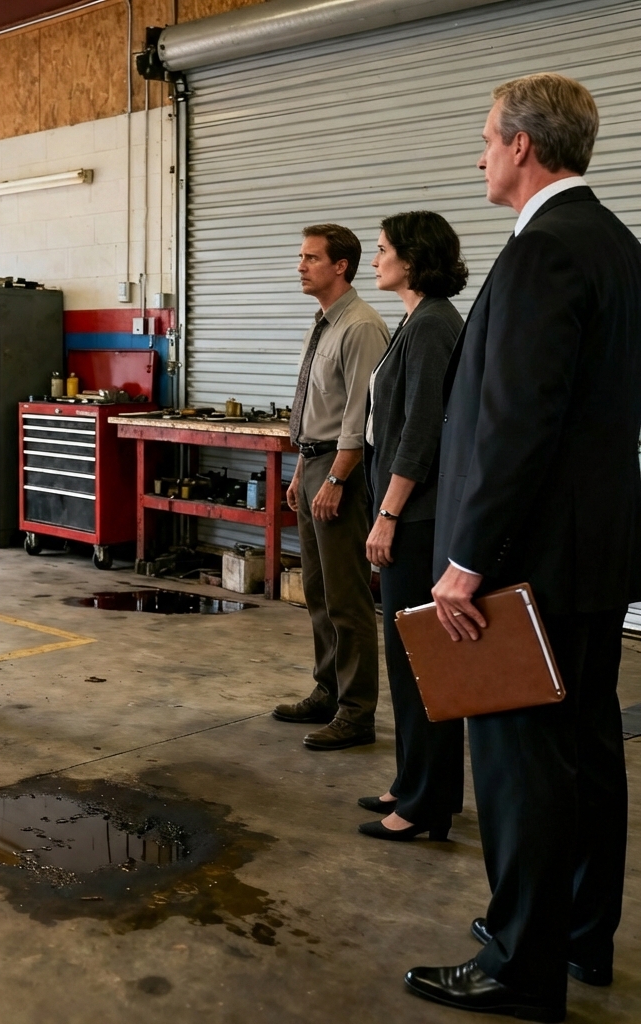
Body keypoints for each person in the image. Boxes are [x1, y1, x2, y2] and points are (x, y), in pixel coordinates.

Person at [404, 74, 641, 1023]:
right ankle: (576, 934)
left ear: (525, 148)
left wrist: (465, 557)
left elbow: (516, 426)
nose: (479, 155)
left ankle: (518, 963)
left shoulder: (544, 252)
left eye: (487, 139)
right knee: (585, 748)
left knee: (519, 764)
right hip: (593, 558)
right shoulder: (618, 247)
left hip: (526, 562)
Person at [357, 212, 467, 842]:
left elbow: (420, 432)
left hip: (418, 520)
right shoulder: (417, 320)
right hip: (409, 513)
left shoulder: (431, 327)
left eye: (382, 251)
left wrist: (389, 514)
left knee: (420, 660)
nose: (376, 261)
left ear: (413, 258)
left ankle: (426, 804)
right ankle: (413, 781)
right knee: (406, 659)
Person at [273, 225, 389, 750]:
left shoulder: (361, 326)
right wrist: (302, 469)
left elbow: (361, 416)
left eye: (311, 257)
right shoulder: (322, 324)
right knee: (318, 591)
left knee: (346, 597)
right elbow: (317, 408)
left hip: (343, 470)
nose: (301, 265)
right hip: (315, 463)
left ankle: (357, 712)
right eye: (301, 256)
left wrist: (337, 478)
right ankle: (327, 689)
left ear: (341, 265)